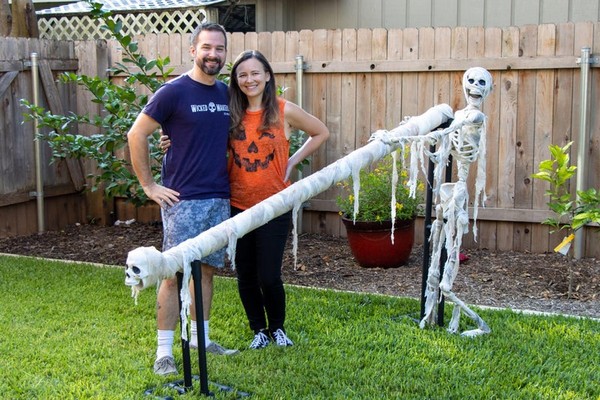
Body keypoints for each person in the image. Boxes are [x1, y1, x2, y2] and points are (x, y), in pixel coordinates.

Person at [127, 22, 238, 377]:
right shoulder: (173, 92)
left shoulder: (225, 94)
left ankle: (199, 340)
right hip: (183, 200)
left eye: (219, 49)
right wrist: (148, 186)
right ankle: (164, 353)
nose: (213, 55)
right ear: (193, 50)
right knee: (173, 276)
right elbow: (137, 134)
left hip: (219, 196)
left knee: (205, 273)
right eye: (207, 48)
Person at [227, 50, 329, 349]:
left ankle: (278, 328)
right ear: (236, 80)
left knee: (269, 274)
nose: (250, 79)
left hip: (274, 205)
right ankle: (258, 329)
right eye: (243, 74)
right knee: (245, 273)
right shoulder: (230, 113)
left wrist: (292, 160)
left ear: (268, 75)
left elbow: (320, 132)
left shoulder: (284, 110)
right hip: (237, 205)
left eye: (255, 73)